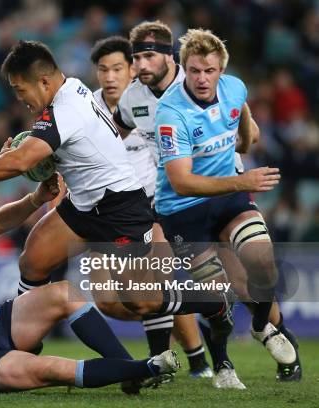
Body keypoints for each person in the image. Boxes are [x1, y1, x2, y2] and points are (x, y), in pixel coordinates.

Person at [0, 40, 237, 388]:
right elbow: (45, 150)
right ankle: (21, 344)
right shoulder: (70, 89)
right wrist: (30, 151)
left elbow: (22, 161)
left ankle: (211, 302)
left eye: (21, 90)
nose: (20, 99)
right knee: (33, 261)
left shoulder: (66, 109)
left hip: (121, 208)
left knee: (141, 301)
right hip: (82, 205)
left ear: (44, 82)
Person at [115, 20, 301, 385]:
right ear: (187, 67)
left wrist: (244, 139)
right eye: (196, 71)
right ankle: (222, 366)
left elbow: (240, 112)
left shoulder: (232, 86)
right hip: (182, 209)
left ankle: (265, 329)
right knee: (217, 301)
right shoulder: (167, 111)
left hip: (229, 194)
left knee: (261, 263)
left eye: (209, 71)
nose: (202, 78)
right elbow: (182, 182)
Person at [0, 178, 181, 393]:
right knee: (53, 369)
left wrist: (34, 200)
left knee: (64, 292)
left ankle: (126, 368)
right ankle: (147, 368)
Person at [90, 35, 212, 379]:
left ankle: (194, 360)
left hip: (151, 209)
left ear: (132, 70)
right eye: (103, 69)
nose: (110, 76)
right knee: (108, 300)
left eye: (117, 68)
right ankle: (188, 320)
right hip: (105, 214)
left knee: (155, 284)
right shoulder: (89, 109)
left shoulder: (155, 105)